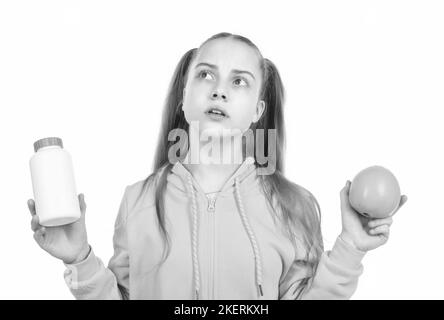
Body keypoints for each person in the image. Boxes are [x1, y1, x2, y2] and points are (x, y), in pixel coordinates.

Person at [28, 32, 407, 300]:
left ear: (258, 111)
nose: (219, 89)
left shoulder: (295, 206)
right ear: (184, 96)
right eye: (206, 74)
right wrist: (79, 258)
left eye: (239, 81)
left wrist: (350, 249)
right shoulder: (137, 201)